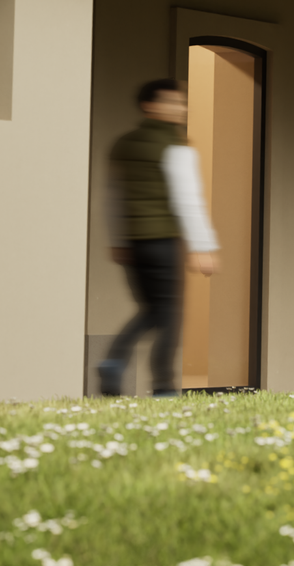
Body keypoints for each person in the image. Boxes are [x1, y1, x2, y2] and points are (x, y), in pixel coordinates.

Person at [97, 78, 219, 397]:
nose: (182, 108)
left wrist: (118, 240)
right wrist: (203, 245)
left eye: (182, 102)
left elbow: (113, 197)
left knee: (152, 309)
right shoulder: (175, 146)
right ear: (149, 106)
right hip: (163, 241)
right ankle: (163, 386)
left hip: (134, 243)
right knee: (170, 315)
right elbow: (188, 199)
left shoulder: (124, 143)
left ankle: (113, 361)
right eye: (174, 102)